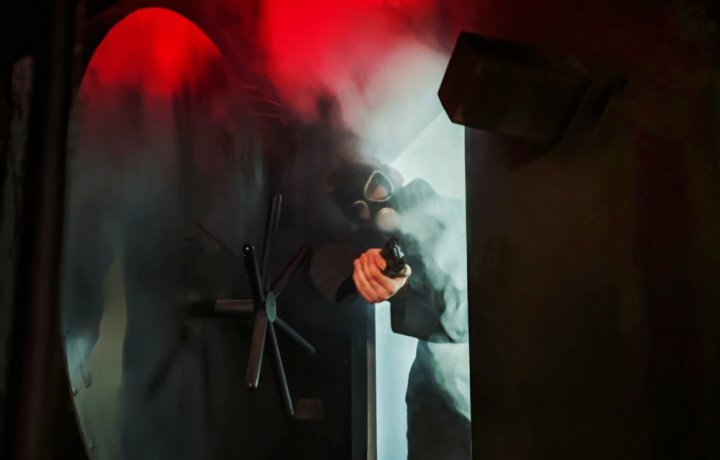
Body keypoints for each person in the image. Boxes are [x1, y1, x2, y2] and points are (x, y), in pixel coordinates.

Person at [311, 160, 471, 460]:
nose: (375, 207)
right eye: (358, 209)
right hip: (443, 392)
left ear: (393, 174)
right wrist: (393, 282)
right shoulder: (373, 245)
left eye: (374, 186)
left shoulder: (467, 215)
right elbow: (340, 273)